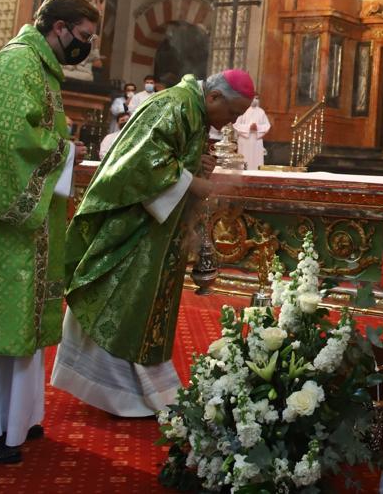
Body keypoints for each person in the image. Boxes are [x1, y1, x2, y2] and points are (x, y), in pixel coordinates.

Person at [51, 70, 254, 417]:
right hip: (133, 227)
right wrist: (193, 183)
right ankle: (119, 391)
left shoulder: (194, 110)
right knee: (122, 299)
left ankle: (132, 389)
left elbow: (172, 157)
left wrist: (197, 165)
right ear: (215, 97)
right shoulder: (175, 105)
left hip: (156, 230)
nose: (232, 122)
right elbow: (142, 163)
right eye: (233, 113)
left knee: (138, 305)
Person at [0, 0, 99, 462]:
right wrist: (68, 152)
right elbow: (10, 144)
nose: (86, 47)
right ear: (58, 27)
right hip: (0, 223)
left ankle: (15, 419)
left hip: (25, 227)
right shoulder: (17, 64)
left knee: (18, 322)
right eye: (83, 37)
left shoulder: (40, 68)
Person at [233, 96, 271, 170]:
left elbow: (267, 125)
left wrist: (258, 127)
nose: (255, 100)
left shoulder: (261, 112)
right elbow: (236, 124)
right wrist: (248, 127)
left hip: (256, 141)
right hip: (244, 140)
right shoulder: (243, 110)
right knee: (244, 160)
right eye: (253, 98)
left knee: (256, 161)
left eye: (257, 98)